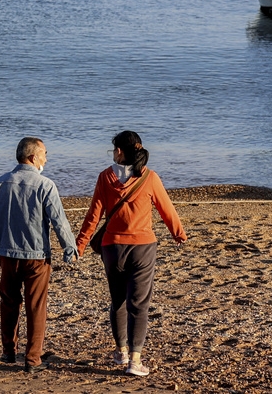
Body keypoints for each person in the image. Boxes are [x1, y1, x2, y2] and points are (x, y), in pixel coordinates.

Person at [77, 131, 187, 378]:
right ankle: (135, 361)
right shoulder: (149, 177)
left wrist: (81, 245)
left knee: (118, 301)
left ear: (119, 152)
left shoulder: (105, 177)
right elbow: (166, 209)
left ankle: (121, 352)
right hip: (143, 248)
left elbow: (93, 216)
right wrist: (178, 234)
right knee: (139, 304)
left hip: (112, 248)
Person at [0, 137, 78, 373]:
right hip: (36, 256)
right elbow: (59, 220)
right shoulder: (45, 185)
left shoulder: (1, 183)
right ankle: (33, 359)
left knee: (9, 303)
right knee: (36, 306)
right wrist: (70, 248)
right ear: (33, 157)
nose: (46, 158)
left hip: (7, 255)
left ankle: (8, 352)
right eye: (44, 153)